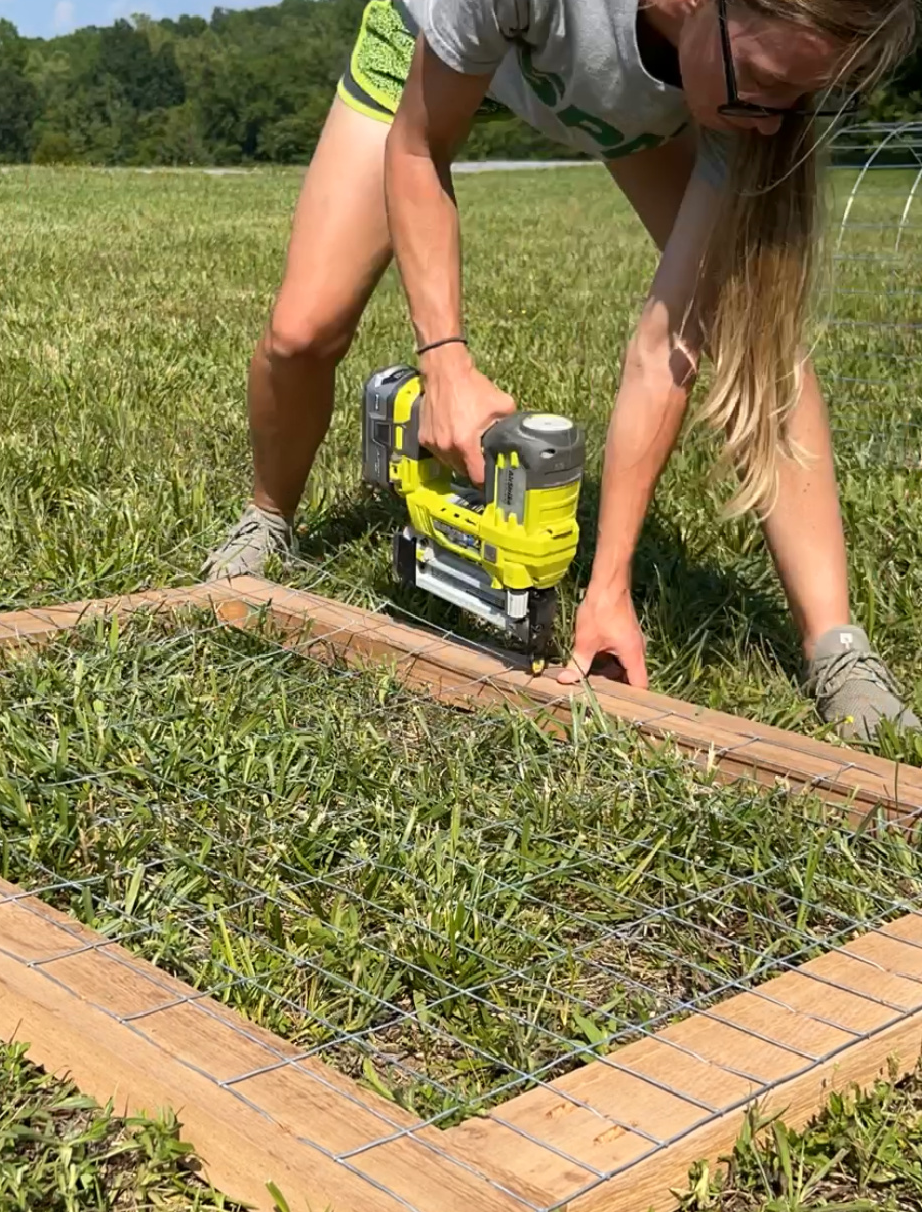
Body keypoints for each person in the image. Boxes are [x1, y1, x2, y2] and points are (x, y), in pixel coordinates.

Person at [204, 0, 920, 743]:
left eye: (807, 95)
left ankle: (837, 646)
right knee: (303, 331)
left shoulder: (755, 106)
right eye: (771, 81)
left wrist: (608, 584)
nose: (777, 121)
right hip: (430, 47)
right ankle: (268, 517)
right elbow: (418, 147)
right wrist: (445, 365)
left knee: (758, 332)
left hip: (614, 100)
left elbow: (664, 346)